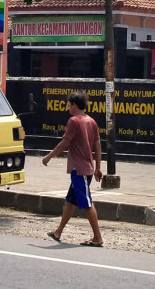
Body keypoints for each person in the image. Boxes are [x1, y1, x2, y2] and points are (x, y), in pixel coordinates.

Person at [42, 91, 103, 247]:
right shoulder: (91, 121)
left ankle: (97, 238)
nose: (68, 107)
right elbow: (97, 145)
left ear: (75, 105)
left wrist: (48, 156)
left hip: (79, 170)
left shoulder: (74, 121)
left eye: (70, 104)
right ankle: (58, 232)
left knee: (87, 203)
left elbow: (64, 143)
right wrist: (98, 168)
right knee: (70, 202)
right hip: (86, 169)